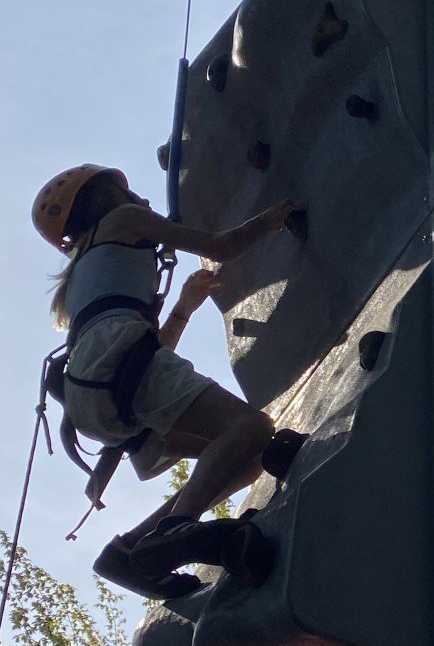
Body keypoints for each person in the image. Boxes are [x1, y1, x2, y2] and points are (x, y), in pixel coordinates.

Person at [32, 164, 300, 598]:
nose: (139, 197)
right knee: (250, 427)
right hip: (118, 367)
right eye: (123, 189)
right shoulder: (123, 221)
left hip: (93, 390)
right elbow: (220, 246)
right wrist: (271, 218)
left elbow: (148, 355)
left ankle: (128, 551)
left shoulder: (85, 273)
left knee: (246, 457)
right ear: (103, 198)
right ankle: (176, 528)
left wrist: (184, 307)